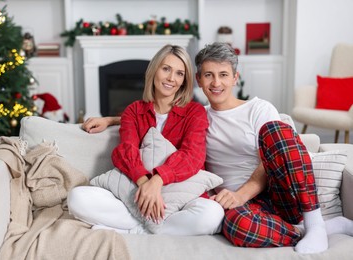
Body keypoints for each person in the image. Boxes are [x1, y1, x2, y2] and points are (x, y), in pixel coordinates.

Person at [81, 42, 353, 254]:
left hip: (279, 194)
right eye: (209, 75)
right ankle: (312, 231)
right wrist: (112, 119)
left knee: (277, 129)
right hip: (243, 209)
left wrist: (241, 194)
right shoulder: (199, 115)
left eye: (223, 75)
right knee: (234, 227)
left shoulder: (259, 108)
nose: (216, 83)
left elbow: (276, 154)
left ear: (235, 77)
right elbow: (155, 117)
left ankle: (315, 224)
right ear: (198, 80)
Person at [68, 44, 224, 235]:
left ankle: (134, 229)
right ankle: (155, 229)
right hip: (137, 194)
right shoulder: (134, 110)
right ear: (154, 70)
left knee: (213, 214)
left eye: (179, 73)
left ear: (184, 80)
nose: (171, 78)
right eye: (166, 69)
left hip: (180, 196)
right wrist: (145, 184)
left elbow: (193, 156)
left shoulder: (195, 111)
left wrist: (157, 181)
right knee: (77, 198)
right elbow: (126, 151)